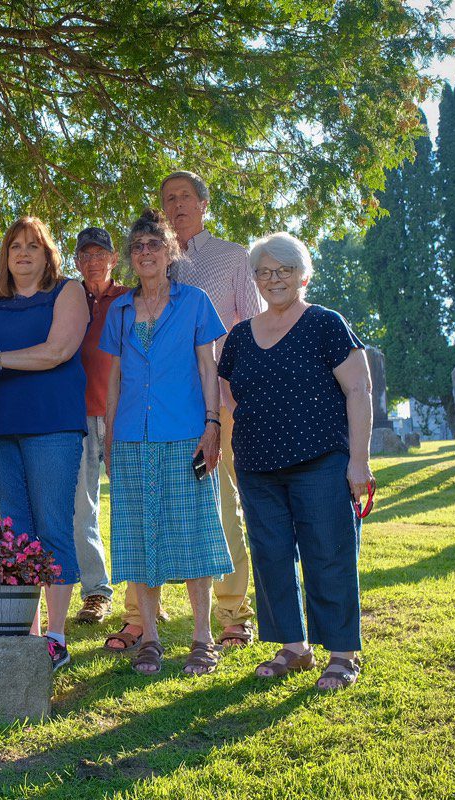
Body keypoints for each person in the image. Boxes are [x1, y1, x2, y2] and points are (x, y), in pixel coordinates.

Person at [217, 232, 372, 691]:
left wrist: (358, 461)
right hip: (257, 465)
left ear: (303, 274)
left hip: (321, 459)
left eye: (283, 270)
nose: (273, 279)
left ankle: (343, 653)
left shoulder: (326, 323)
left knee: (329, 552)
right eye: (264, 272)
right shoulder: (241, 335)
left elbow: (359, 391)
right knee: (271, 556)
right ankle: (294, 646)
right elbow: (226, 389)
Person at [100, 209, 232, 676]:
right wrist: (110, 438)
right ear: (130, 258)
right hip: (133, 436)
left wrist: (212, 424)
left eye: (154, 244)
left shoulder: (194, 302)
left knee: (195, 530)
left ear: (170, 252)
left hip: (187, 434)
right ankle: (150, 638)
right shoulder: (118, 311)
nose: (145, 252)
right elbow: (113, 378)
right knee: (140, 535)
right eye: (137, 246)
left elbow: (208, 367)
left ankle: (202, 637)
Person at [0, 217, 89, 671]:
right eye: (14, 246)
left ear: (46, 255)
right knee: (14, 531)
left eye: (32, 247)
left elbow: (57, 350)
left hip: (51, 424)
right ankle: (24, 631)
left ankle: (56, 636)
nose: (22, 253)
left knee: (52, 524)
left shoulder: (67, 291)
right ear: (5, 255)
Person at [156, 169, 263, 648]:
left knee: (222, 507)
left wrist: (247, 394)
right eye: (168, 199)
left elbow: (253, 329)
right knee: (156, 505)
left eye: (184, 197)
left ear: (203, 204)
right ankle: (141, 615)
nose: (176, 205)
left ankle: (233, 615)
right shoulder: (153, 261)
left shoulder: (232, 258)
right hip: (164, 407)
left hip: (224, 400)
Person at [65, 227, 128, 627]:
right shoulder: (67, 298)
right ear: (76, 262)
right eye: (85, 256)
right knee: (81, 509)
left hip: (123, 412)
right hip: (77, 415)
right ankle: (96, 592)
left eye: (100, 254)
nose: (92, 262)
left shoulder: (128, 298)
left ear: (113, 259)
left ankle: (143, 596)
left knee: (133, 504)